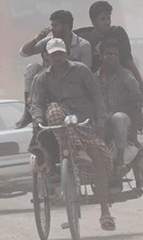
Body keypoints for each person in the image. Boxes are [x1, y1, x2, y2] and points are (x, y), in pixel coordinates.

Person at [30, 38, 116, 231]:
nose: (58, 58)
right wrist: (36, 119)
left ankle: (105, 212)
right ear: (47, 57)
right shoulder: (42, 78)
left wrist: (101, 122)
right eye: (54, 55)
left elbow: (96, 97)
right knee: (52, 110)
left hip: (84, 123)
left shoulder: (80, 70)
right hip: (59, 129)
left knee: (99, 160)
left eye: (61, 53)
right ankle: (74, 155)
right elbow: (37, 104)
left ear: (66, 53)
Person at [74, 1, 143, 99]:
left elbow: (128, 61)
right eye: (102, 19)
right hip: (97, 83)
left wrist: (141, 85)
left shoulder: (118, 34)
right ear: (93, 22)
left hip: (119, 79)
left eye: (108, 18)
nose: (107, 22)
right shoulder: (85, 38)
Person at [95, 38, 143, 171]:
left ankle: (120, 160)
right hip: (101, 119)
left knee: (119, 117)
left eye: (115, 54)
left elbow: (137, 94)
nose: (111, 57)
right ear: (101, 56)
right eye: (108, 54)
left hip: (123, 119)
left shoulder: (126, 75)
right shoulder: (93, 78)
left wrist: (119, 69)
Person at [20, 9, 92, 69]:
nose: (52, 29)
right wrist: (37, 39)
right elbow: (24, 53)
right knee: (32, 68)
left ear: (66, 27)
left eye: (55, 26)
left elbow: (86, 72)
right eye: (52, 26)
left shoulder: (83, 45)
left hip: (73, 83)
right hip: (50, 80)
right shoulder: (49, 41)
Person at [16, 50, 50, 129]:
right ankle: (27, 113)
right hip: (42, 107)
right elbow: (24, 51)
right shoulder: (40, 77)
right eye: (47, 60)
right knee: (32, 68)